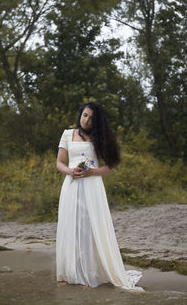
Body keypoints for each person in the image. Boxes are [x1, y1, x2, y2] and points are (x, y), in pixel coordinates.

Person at [56, 102, 144, 292]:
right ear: (81, 114)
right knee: (69, 227)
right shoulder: (67, 134)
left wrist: (92, 172)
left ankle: (89, 275)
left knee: (89, 229)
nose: (86, 120)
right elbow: (59, 163)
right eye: (85, 115)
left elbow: (109, 167)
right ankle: (68, 274)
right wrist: (70, 171)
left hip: (91, 187)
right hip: (71, 187)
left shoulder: (99, 138)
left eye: (91, 118)